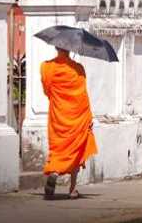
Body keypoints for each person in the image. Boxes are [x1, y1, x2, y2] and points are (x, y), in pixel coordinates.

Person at [40, 48, 98, 199]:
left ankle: (54, 171)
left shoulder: (47, 67)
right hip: (77, 116)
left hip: (58, 115)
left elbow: (47, 91)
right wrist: (89, 117)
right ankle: (72, 189)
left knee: (58, 147)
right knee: (77, 150)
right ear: (70, 49)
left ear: (55, 48)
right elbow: (83, 95)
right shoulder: (78, 69)